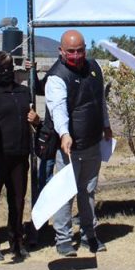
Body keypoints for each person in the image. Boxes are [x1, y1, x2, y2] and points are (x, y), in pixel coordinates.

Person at [43, 29, 113, 256]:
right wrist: (64, 134)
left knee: (89, 190)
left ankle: (88, 235)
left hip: (93, 142)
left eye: (80, 50)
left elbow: (99, 100)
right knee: (66, 193)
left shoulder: (94, 67)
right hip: (69, 147)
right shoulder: (56, 76)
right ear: (61, 51)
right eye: (71, 51)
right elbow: (58, 110)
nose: (76, 54)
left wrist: (106, 124)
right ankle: (63, 238)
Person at [0, 51, 40, 262]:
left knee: (17, 200)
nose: (7, 73)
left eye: (9, 69)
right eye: (2, 70)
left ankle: (17, 241)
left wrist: (36, 119)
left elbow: (33, 118)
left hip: (20, 153)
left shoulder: (23, 92)